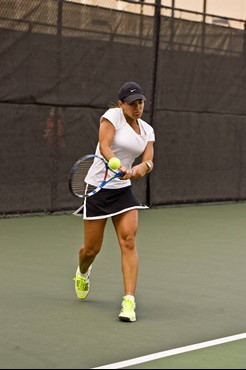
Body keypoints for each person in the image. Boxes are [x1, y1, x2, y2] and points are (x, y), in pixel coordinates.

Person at [73, 81, 155, 322]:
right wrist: (115, 164)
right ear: (121, 105)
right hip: (98, 189)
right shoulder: (113, 117)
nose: (138, 107)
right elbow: (104, 145)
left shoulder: (148, 130)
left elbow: (149, 160)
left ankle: (128, 301)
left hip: (123, 190)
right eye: (132, 103)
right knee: (91, 249)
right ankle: (83, 271)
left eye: (140, 102)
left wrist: (140, 169)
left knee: (128, 240)